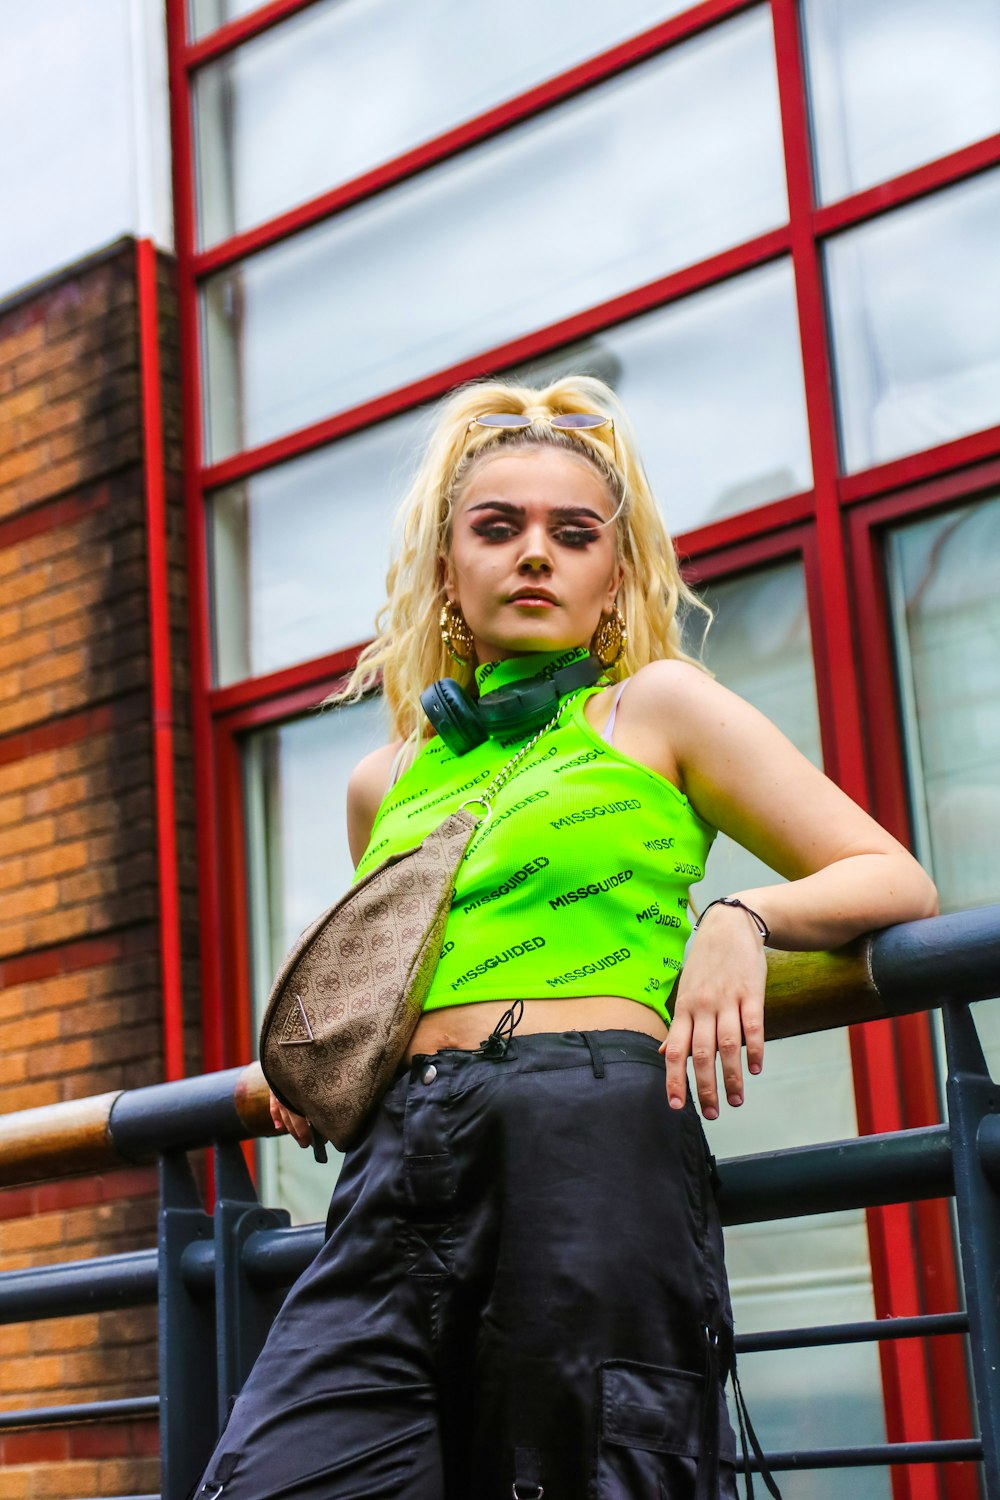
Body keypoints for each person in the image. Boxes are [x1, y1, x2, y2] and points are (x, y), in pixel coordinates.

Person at [195, 375, 938, 1500]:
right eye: (497, 528)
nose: (533, 554)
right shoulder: (384, 778)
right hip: (396, 1163)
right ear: (450, 570)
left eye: (571, 533)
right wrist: (323, 1049)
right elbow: (394, 975)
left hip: (589, 1140)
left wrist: (743, 918)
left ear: (614, 575)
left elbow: (892, 875)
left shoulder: (659, 709)